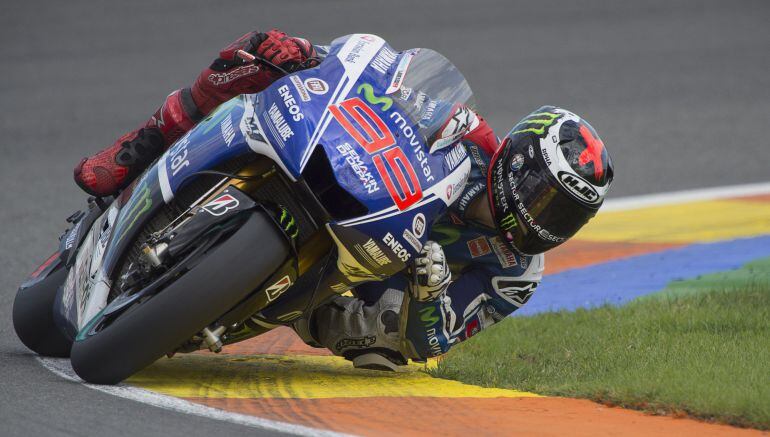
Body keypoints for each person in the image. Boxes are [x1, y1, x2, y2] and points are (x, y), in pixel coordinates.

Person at [73, 30, 614, 370]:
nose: (546, 219)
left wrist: (431, 291)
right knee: (258, 52)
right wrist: (313, 56)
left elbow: (434, 343)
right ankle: (135, 150)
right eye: (546, 198)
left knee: (385, 349)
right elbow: (379, 82)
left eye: (565, 214)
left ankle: (224, 300)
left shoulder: (516, 272)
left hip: (358, 285)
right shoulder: (468, 134)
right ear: (517, 162)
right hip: (351, 193)